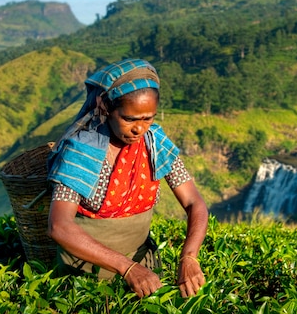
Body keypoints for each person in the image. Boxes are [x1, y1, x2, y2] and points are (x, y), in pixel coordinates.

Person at [47, 58, 209, 298]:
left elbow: (194, 203)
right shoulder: (82, 150)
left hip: (144, 271)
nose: (139, 129)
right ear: (106, 107)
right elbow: (59, 226)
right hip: (84, 277)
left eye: (148, 118)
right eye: (129, 119)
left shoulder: (155, 142)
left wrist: (189, 257)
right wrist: (127, 267)